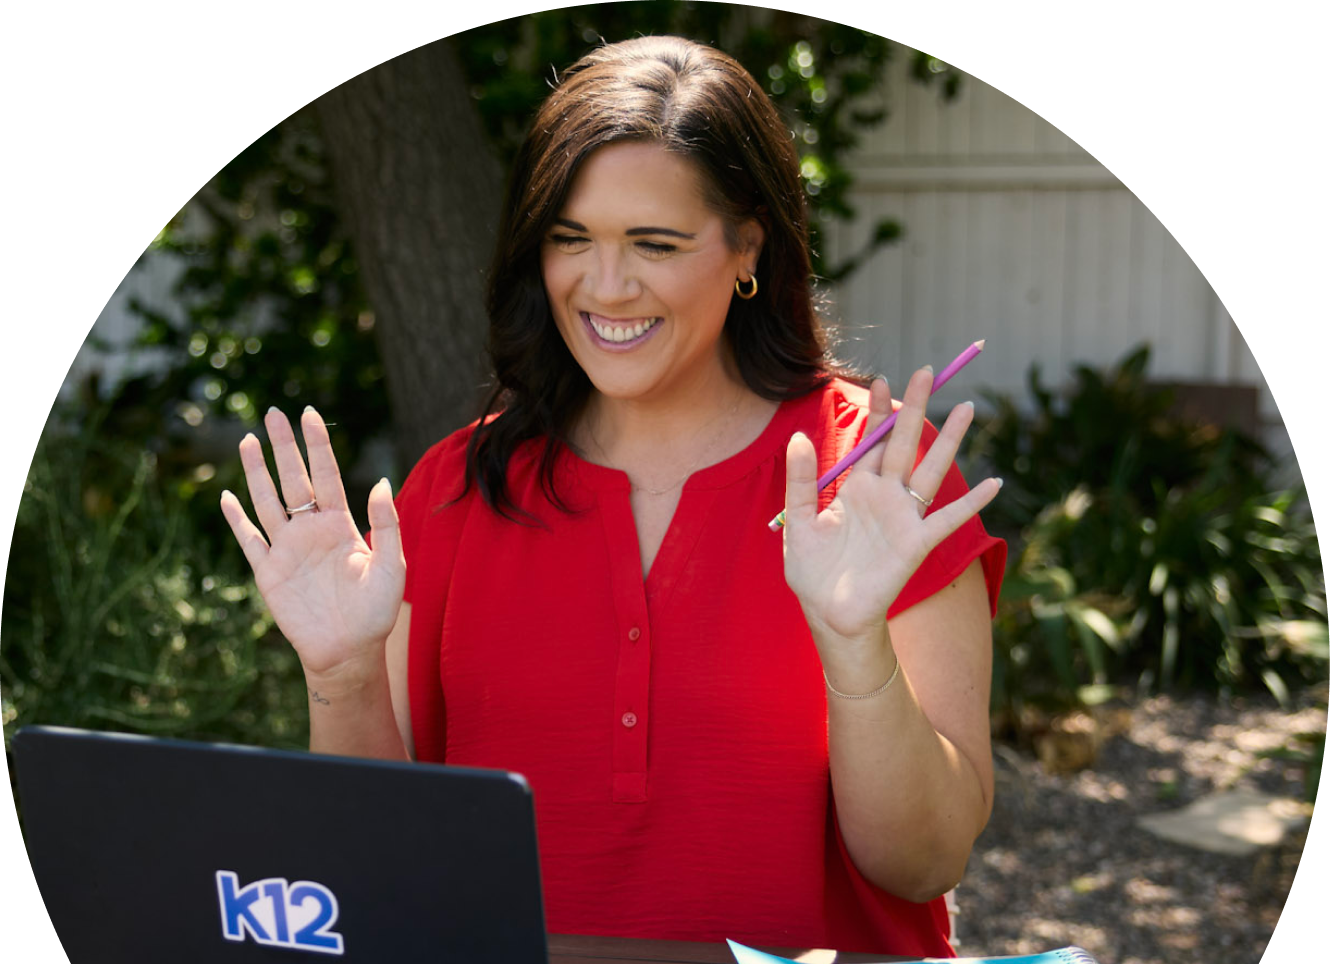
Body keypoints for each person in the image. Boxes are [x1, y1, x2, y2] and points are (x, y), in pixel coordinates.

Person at [219, 35, 1006, 957]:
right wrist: (342, 676)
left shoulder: (875, 476)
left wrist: (853, 649)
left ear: (748, 243)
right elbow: (372, 873)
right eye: (570, 238)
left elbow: (922, 865)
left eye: (654, 243)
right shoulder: (451, 491)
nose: (605, 286)